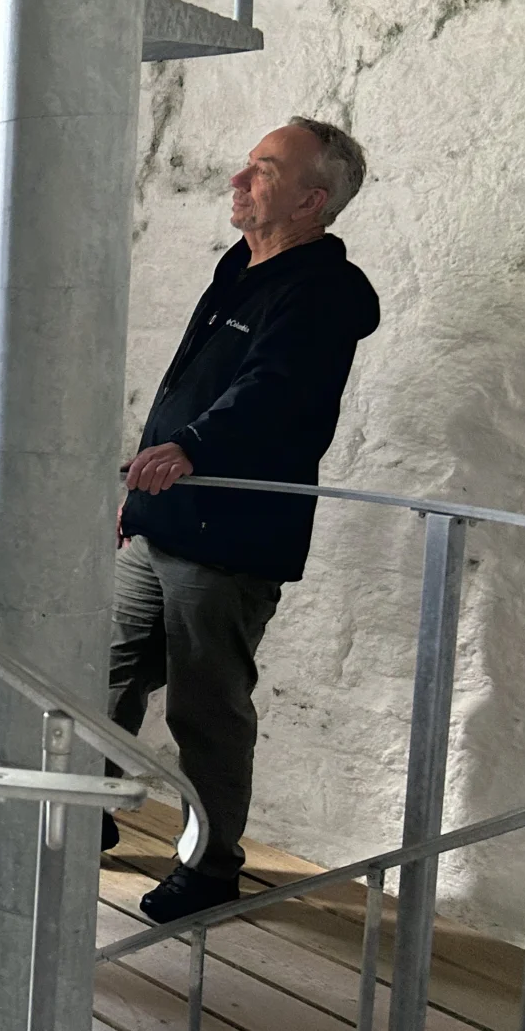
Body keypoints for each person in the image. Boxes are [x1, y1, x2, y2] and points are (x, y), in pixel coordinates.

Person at [108, 117, 378, 924]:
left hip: (230, 538)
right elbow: (185, 388)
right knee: (105, 676)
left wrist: (190, 446)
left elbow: (275, 390)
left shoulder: (324, 292)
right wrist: (144, 486)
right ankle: (90, 808)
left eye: (263, 169)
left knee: (206, 707)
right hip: (164, 519)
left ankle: (212, 866)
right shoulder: (240, 266)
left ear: (312, 198)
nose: (239, 179)